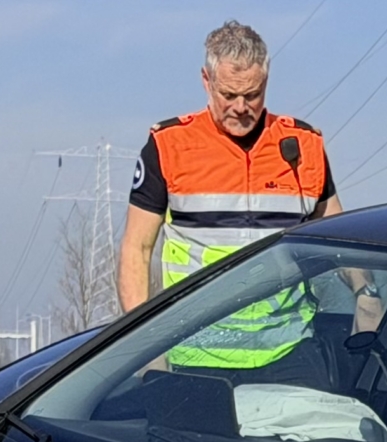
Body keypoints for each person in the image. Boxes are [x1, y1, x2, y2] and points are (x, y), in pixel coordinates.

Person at [118, 21, 367, 389]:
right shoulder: (170, 146)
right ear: (206, 81)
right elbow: (136, 249)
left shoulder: (304, 146)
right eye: (228, 94)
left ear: (266, 80)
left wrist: (366, 292)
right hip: (196, 354)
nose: (240, 107)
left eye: (252, 95)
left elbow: (339, 239)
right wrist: (144, 350)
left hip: (289, 349)